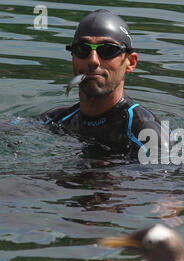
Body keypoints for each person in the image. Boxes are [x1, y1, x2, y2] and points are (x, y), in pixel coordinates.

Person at [38, 9, 168, 157]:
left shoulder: (146, 132)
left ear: (130, 62)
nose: (93, 60)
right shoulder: (55, 119)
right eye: (83, 49)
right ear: (73, 56)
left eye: (108, 50)